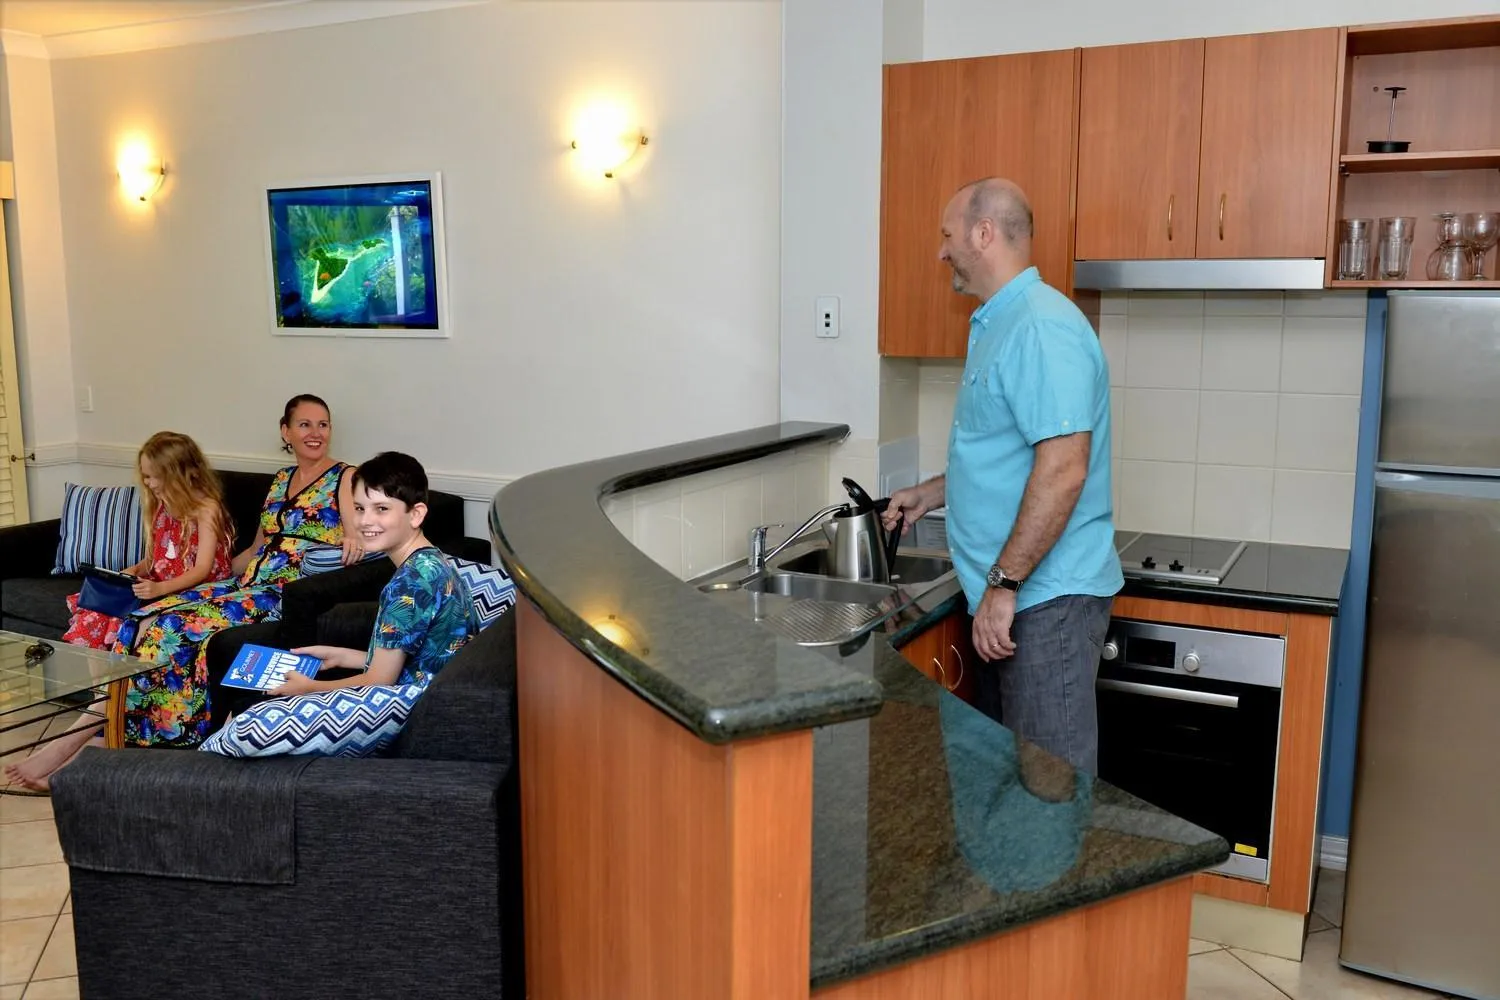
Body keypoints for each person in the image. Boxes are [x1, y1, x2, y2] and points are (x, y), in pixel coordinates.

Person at [883, 177, 1122, 774]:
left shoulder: (1041, 328)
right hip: (1012, 599)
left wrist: (1004, 586)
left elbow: (1064, 470)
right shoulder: (1001, 324)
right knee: (1010, 791)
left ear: (982, 233)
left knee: (1050, 789)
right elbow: (1015, 454)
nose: (941, 252)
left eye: (947, 235)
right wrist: (933, 494)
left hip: (1043, 604)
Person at [111, 394, 364, 748]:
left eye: (323, 424)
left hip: (285, 591)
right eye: (305, 424)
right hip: (248, 581)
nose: (315, 433)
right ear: (285, 431)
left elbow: (354, 533)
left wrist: (353, 540)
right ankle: (125, 726)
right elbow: (257, 548)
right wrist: (218, 575)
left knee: (174, 626)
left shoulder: (345, 476)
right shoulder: (280, 479)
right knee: (141, 617)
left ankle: (176, 735)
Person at [199, 452, 478, 758]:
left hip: (404, 711)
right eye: (359, 508)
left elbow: (379, 682)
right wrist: (343, 655)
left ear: (416, 514)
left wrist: (308, 689)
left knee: (247, 708)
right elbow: (419, 654)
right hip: (418, 692)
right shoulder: (433, 562)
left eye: (381, 509)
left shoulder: (409, 583)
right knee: (255, 688)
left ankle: (208, 770)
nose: (365, 521)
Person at [3, 432, 237, 791]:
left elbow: (203, 569)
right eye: (144, 475)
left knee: (132, 625)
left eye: (154, 475)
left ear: (180, 472)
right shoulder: (161, 508)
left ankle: (80, 732)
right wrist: (134, 571)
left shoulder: (206, 509)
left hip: (192, 593)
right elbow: (157, 558)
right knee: (95, 610)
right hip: (156, 585)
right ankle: (103, 705)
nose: (148, 482)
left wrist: (159, 588)